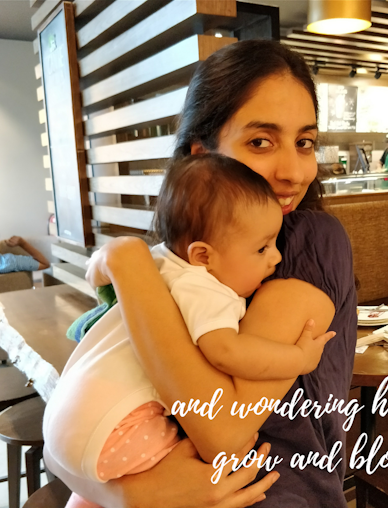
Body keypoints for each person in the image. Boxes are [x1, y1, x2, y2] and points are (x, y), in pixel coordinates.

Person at [44, 39, 357, 508]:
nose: (293, 172)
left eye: (305, 143)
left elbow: (222, 430)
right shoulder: (189, 258)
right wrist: (125, 494)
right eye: (261, 141)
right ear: (201, 154)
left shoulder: (308, 241)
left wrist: (128, 262)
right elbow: (64, 440)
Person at [44, 154, 334, 508]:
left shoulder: (156, 261)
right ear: (203, 256)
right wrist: (298, 358)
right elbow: (226, 352)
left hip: (67, 424)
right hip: (117, 432)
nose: (275, 258)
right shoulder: (203, 287)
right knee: (204, 462)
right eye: (262, 248)